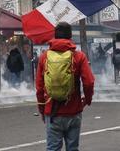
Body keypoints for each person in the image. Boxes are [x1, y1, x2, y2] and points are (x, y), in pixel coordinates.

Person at [36, 22, 95, 151]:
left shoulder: (44, 57)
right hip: (73, 111)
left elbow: (39, 88)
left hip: (52, 112)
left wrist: (42, 109)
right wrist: (87, 100)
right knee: (73, 148)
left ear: (55, 36)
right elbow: (89, 82)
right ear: (70, 37)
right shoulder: (79, 56)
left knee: (53, 148)